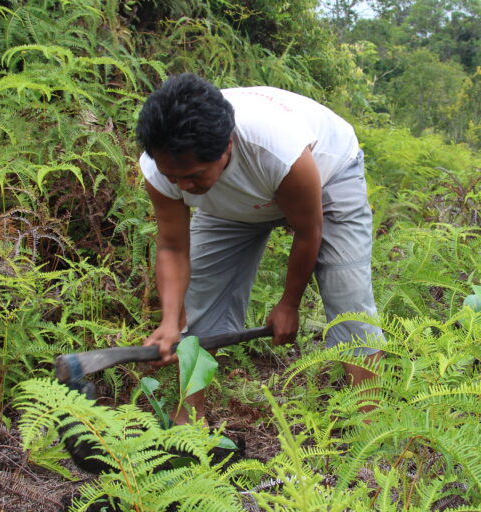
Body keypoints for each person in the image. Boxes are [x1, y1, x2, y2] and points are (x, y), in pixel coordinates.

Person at [136, 73, 384, 424]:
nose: (181, 186)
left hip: (327, 176)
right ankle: (187, 425)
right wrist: (170, 320)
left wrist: (289, 303)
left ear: (226, 148)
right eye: (172, 177)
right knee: (202, 302)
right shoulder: (162, 168)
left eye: (192, 176)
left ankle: (371, 426)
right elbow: (173, 248)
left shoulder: (276, 149)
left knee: (349, 297)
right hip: (235, 202)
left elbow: (308, 230)